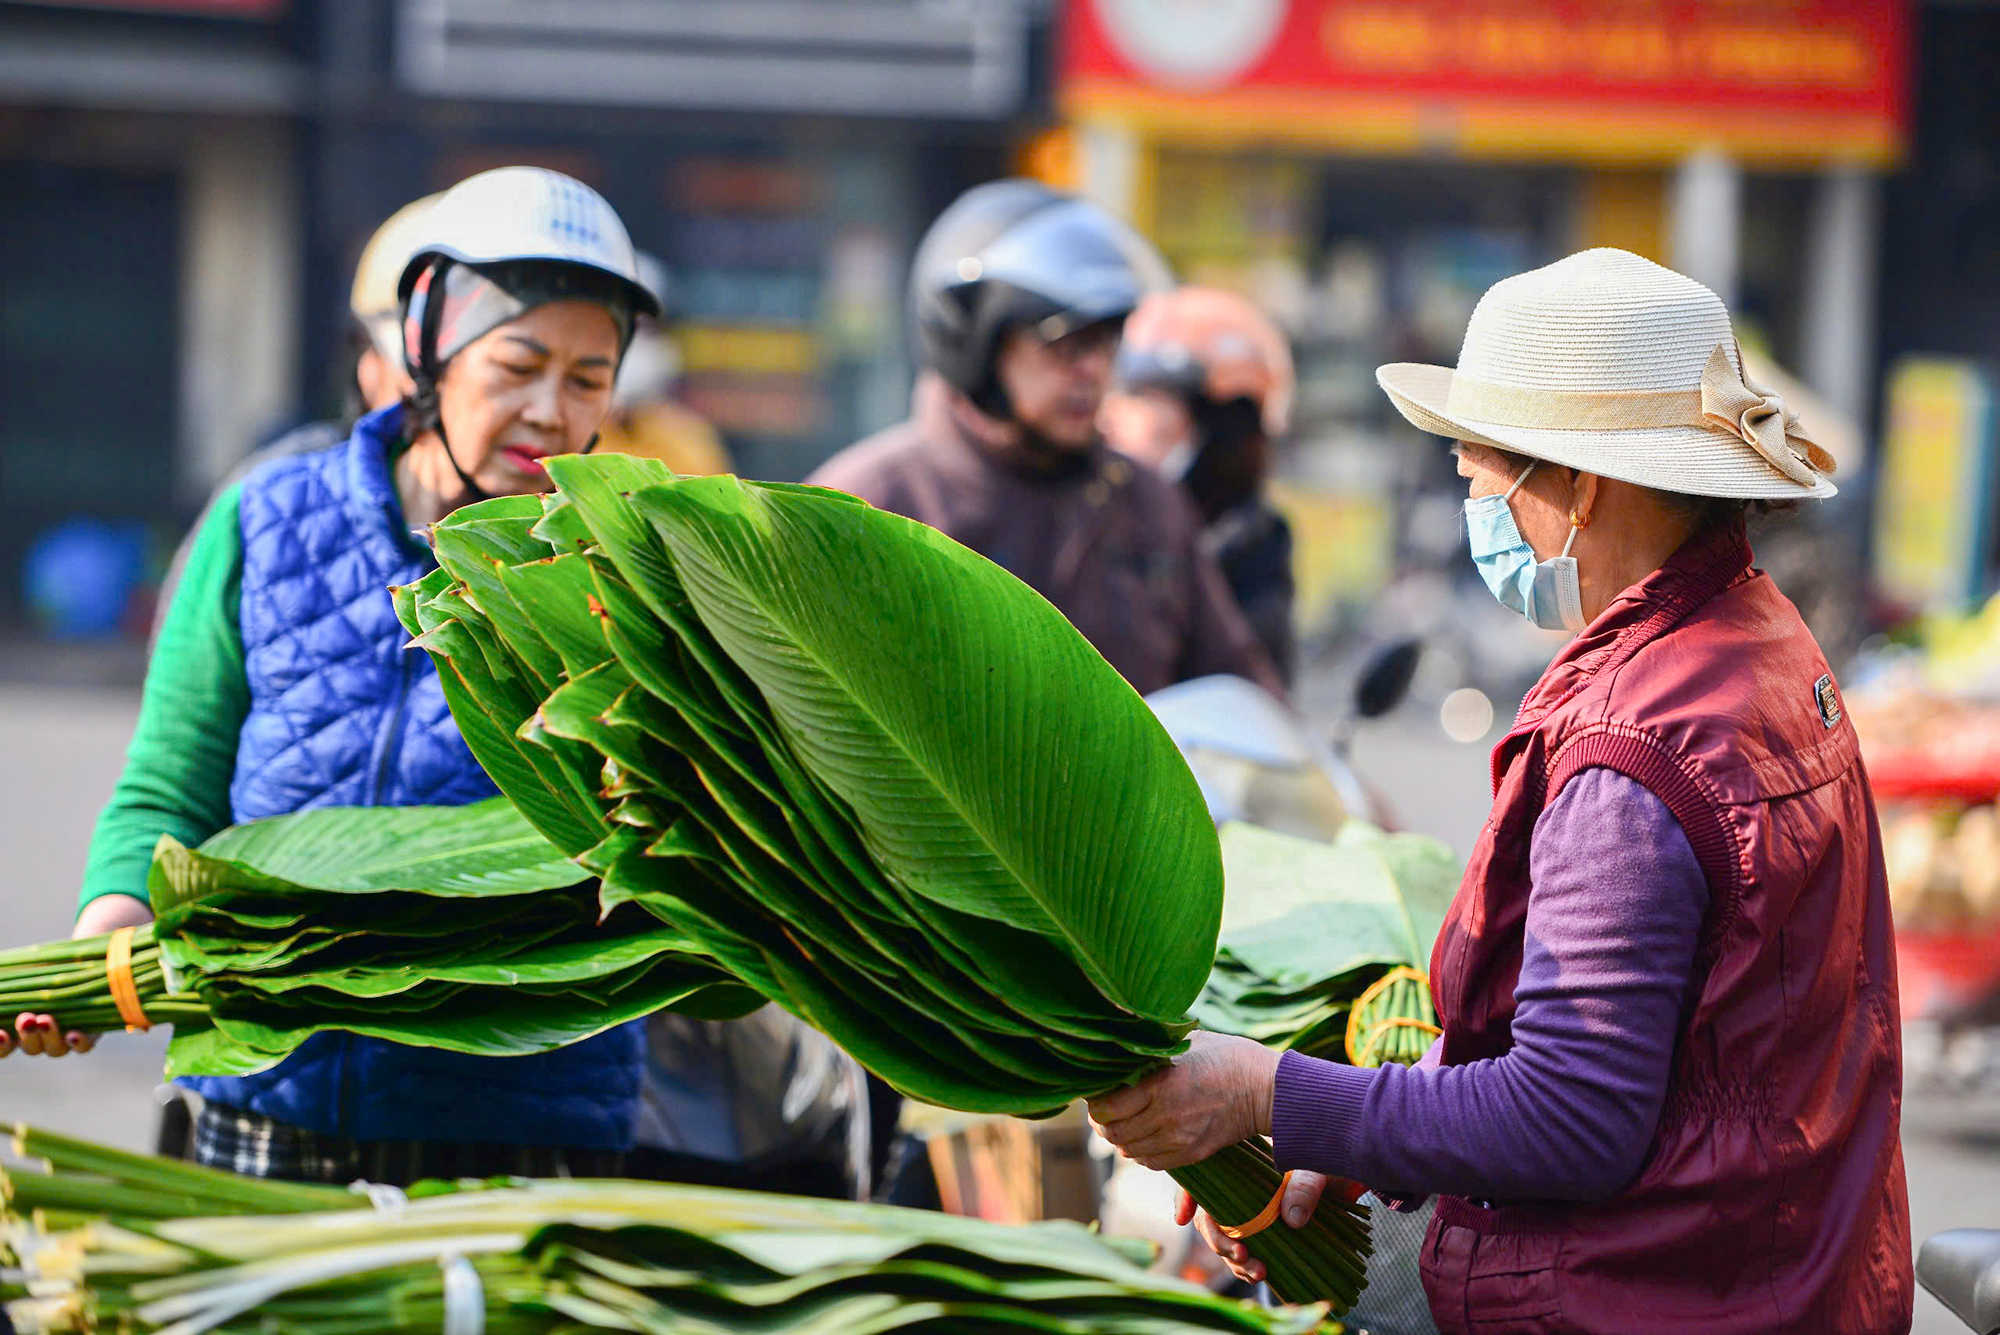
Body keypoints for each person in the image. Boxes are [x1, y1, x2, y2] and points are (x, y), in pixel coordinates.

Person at [1087, 249, 1912, 1333]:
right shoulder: (1755, 640)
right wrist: (1347, 1133)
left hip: (1656, 1294)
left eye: (1481, 478)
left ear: (1577, 487)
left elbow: (1567, 1118)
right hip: (1789, 1268)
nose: (1473, 507)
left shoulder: (1634, 747)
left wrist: (1260, 1092)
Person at [7, 166, 664, 1187]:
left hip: (526, 1131)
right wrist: (105, 950)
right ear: (427, 352)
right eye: (518, 364)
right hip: (268, 1105)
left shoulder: (633, 580)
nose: (549, 410)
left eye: (586, 379)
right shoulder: (266, 522)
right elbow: (171, 784)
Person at [807, 180, 1283, 698]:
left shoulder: (1148, 505)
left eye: (1105, 341)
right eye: (1064, 343)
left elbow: (1240, 691)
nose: (1093, 370)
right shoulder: (866, 503)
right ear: (975, 340)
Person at [1101, 286, 1298, 681]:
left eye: (1152, 398)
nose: (1129, 418)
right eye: (1133, 395)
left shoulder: (1252, 541)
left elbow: (1255, 686)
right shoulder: (1093, 515)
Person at [593, 253, 733, 477]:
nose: (634, 344)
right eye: (625, 329)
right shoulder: (567, 427)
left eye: (648, 330)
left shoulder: (688, 437)